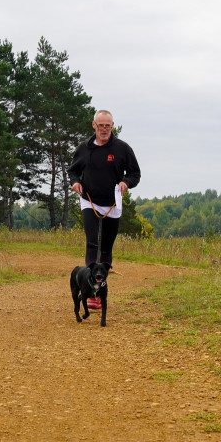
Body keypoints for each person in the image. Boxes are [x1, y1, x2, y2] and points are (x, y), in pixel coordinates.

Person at [67, 110, 141, 308]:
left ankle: (101, 290)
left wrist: (126, 182)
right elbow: (73, 171)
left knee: (106, 246)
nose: (104, 129)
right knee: (92, 243)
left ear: (112, 126)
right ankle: (91, 292)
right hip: (90, 201)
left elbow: (135, 174)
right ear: (94, 125)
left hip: (112, 203)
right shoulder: (84, 148)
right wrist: (75, 183)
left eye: (107, 126)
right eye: (101, 125)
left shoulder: (122, 148)